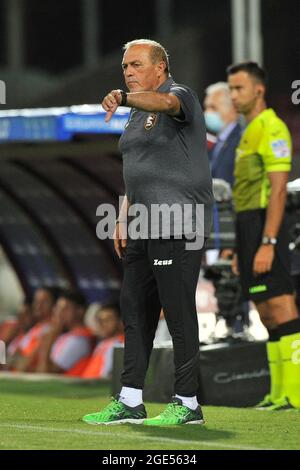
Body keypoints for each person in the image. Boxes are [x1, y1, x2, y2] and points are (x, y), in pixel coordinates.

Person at [82, 38, 213, 425]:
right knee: (135, 312)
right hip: (142, 225)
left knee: (177, 313)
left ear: (160, 68)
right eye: (125, 67)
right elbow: (136, 169)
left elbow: (167, 105)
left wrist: (124, 96)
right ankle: (130, 400)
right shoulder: (136, 114)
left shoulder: (179, 96)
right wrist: (123, 215)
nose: (129, 73)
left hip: (179, 224)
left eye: (137, 65)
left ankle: (188, 404)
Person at [227, 61, 300, 410]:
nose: (233, 95)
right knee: (266, 310)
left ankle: (296, 394)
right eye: (230, 89)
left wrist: (268, 242)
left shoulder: (272, 128)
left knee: (282, 304)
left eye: (238, 88)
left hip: (264, 224)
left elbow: (279, 190)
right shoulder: (249, 129)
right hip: (247, 225)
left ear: (258, 90)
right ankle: (278, 393)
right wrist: (242, 248)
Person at [204, 82, 250, 338]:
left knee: (234, 281)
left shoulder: (240, 138)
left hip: (232, 229)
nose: (207, 112)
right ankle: (230, 326)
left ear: (231, 107)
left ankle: (240, 328)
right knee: (221, 281)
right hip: (217, 229)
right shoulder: (219, 142)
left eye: (212, 106)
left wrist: (233, 239)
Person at [36, 290, 94, 376]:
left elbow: (46, 373)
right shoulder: (64, 335)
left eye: (65, 308)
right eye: (58, 308)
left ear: (80, 311)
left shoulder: (79, 340)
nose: (59, 313)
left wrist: (50, 338)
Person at [204, 82, 241, 186]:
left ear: (233, 108)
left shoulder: (241, 140)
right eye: (206, 107)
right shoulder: (217, 141)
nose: (207, 112)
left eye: (213, 107)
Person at [81, 302, 124, 379]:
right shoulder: (103, 343)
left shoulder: (120, 345)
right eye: (100, 320)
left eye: (108, 320)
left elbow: (106, 377)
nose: (102, 324)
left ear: (120, 322)